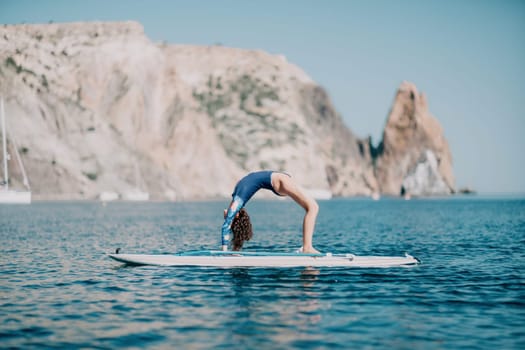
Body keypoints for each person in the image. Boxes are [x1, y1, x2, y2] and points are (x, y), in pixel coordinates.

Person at [221, 170, 320, 253]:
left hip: (279, 180)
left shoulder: (236, 196)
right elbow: (226, 225)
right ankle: (307, 247)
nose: (225, 215)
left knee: (312, 207)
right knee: (313, 207)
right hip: (280, 181)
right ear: (236, 214)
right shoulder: (236, 203)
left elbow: (230, 223)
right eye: (228, 217)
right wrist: (224, 252)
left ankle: (236, 249)